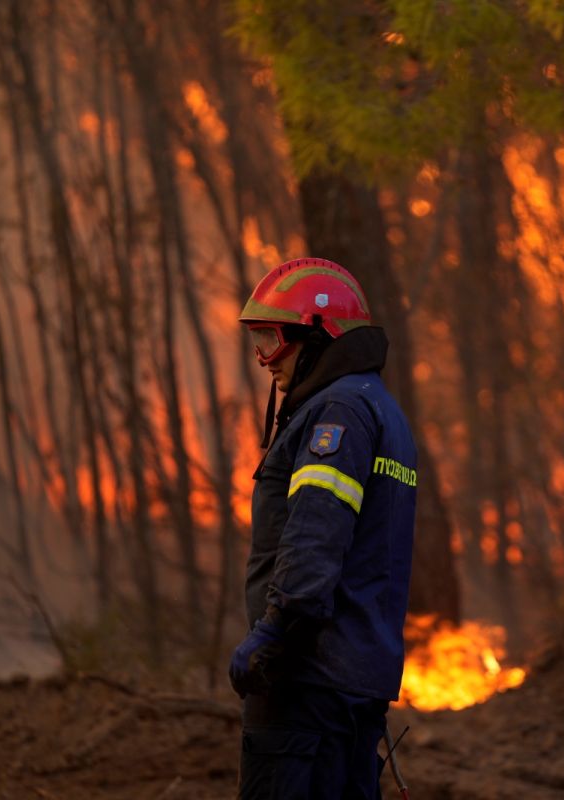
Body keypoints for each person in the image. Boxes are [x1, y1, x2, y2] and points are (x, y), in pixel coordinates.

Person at [229, 257, 418, 799]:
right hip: (356, 685)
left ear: (317, 333)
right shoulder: (382, 412)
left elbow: (315, 537)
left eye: (273, 339)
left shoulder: (335, 414)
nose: (265, 359)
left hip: (304, 687)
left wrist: (273, 633)